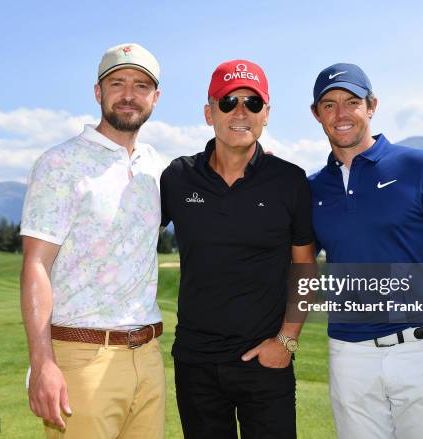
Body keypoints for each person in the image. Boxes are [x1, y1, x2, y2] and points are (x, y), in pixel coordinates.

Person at [308, 63, 423, 439]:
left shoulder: (422, 167)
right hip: (349, 356)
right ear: (316, 114)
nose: (341, 114)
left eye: (351, 101)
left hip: (420, 352)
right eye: (328, 105)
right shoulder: (311, 188)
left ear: (372, 105)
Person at [160, 59, 315, 439]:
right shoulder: (178, 177)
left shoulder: (290, 181)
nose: (240, 113)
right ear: (208, 112)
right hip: (195, 363)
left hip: (267, 363)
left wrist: (286, 341)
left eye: (253, 103)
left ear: (267, 114)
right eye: (228, 103)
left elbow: (306, 268)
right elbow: (133, 240)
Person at [20, 43, 166, 439]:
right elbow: (36, 264)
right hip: (81, 357)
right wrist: (43, 362)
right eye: (116, 83)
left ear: (155, 97)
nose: (129, 94)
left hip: (149, 357)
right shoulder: (60, 163)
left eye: (141, 85)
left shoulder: (157, 167)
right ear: (98, 92)